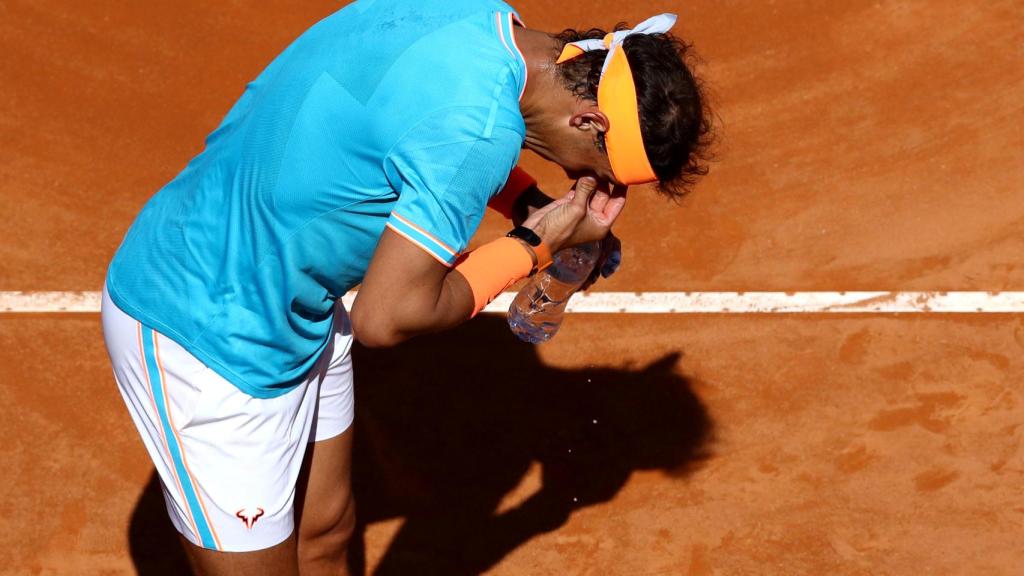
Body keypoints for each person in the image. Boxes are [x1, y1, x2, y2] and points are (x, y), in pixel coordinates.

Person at [101, 1, 712, 574]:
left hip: (297, 304)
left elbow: (417, 134)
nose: (587, 181)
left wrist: (531, 202)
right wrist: (536, 245)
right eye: (596, 169)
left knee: (326, 535)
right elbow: (387, 317)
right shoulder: (477, 134)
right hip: (206, 331)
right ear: (588, 118)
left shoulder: (484, 21)